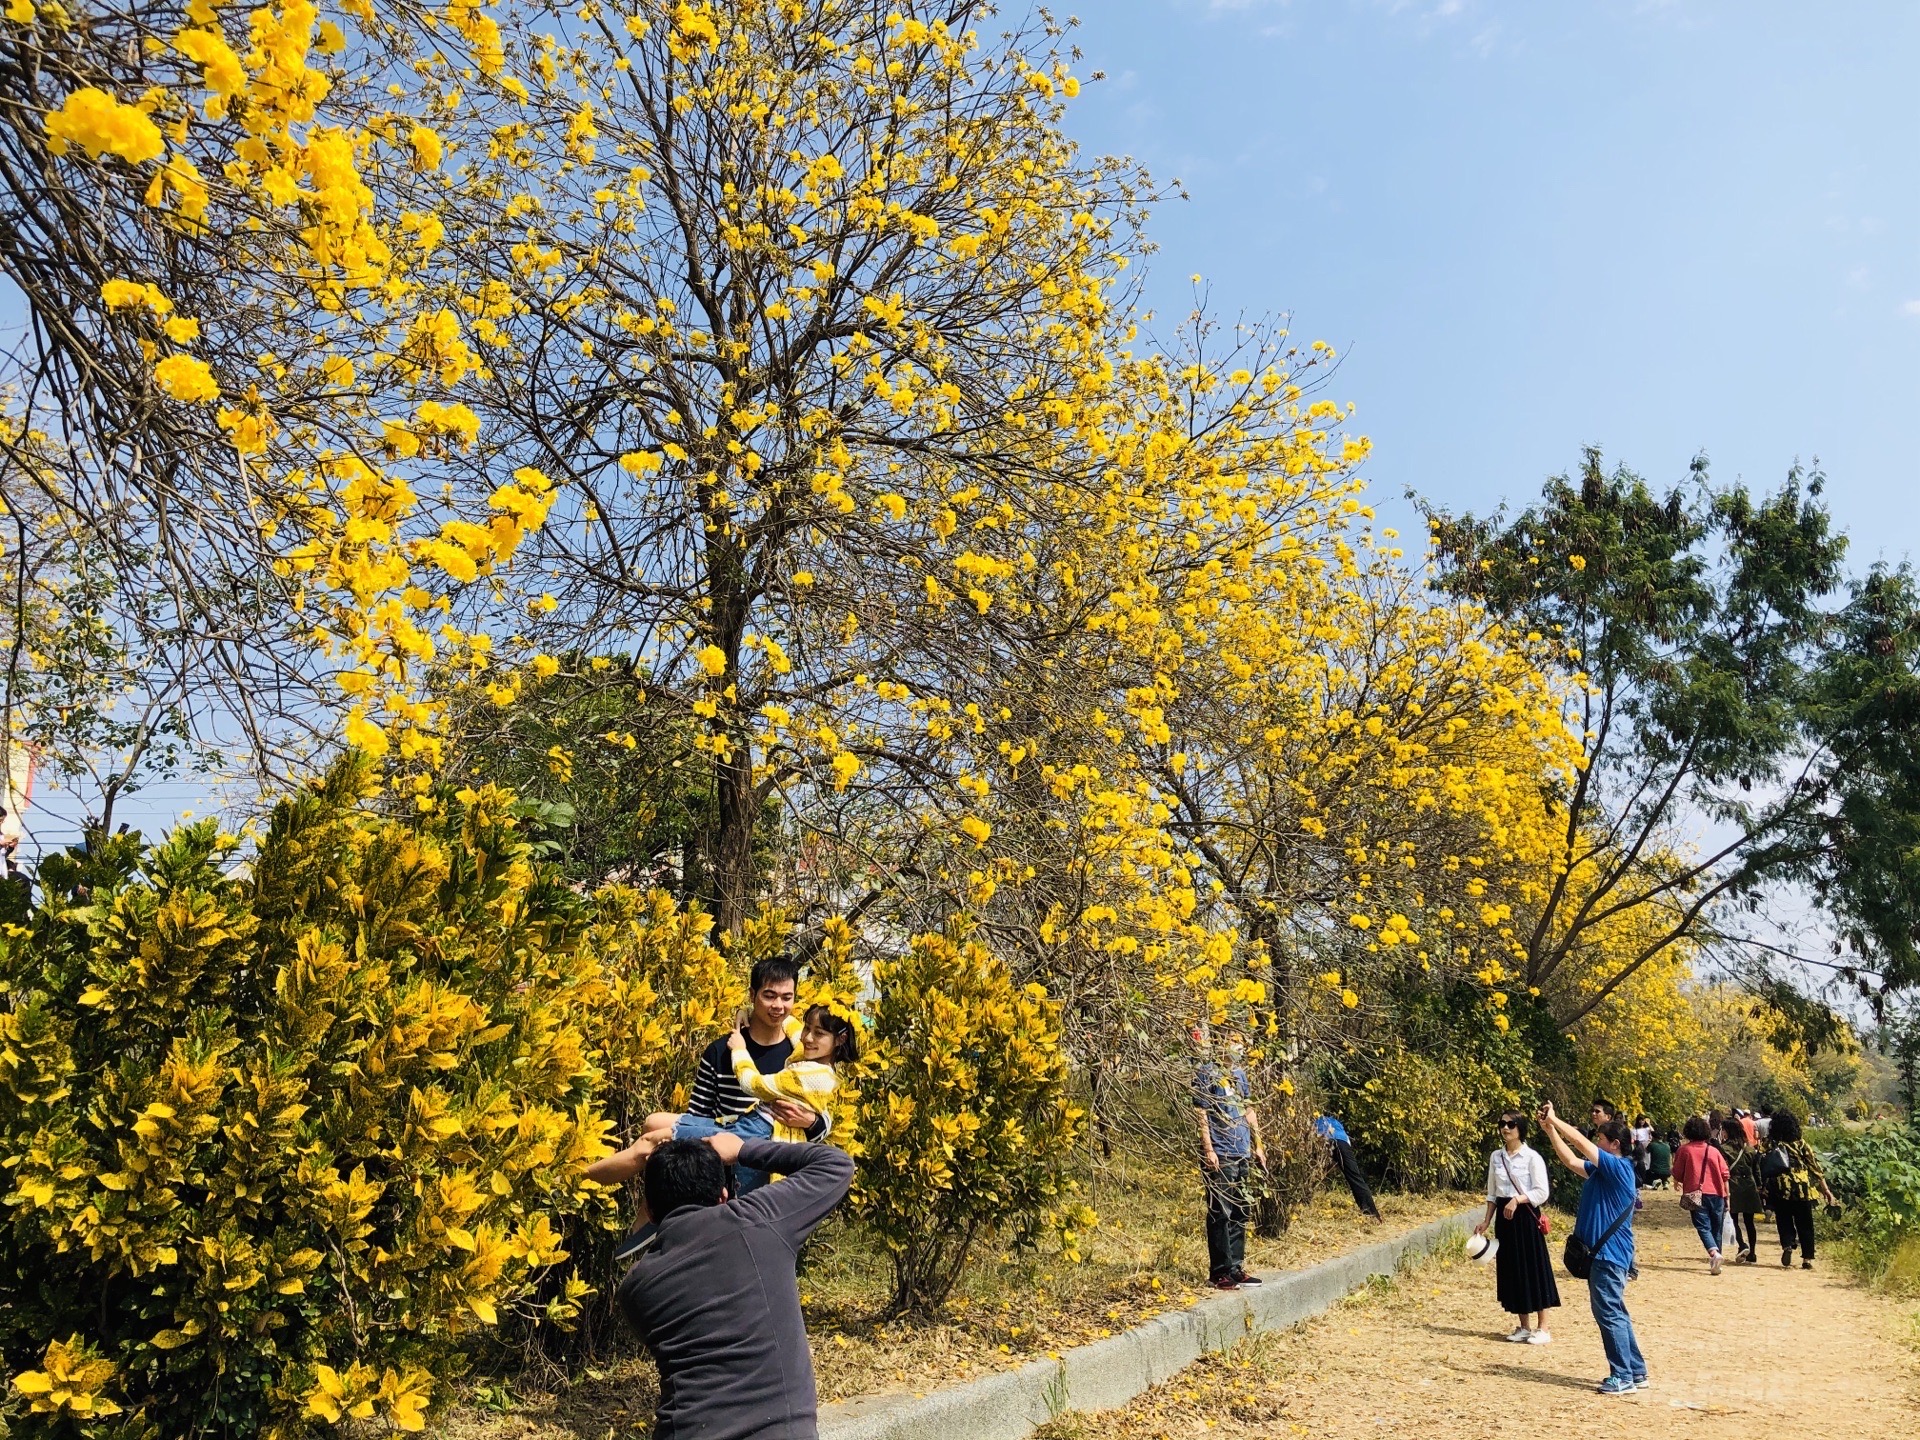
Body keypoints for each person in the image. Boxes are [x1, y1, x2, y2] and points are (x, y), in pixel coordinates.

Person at [607, 1129, 854, 1440]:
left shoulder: (635, 1290)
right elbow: (835, 1165)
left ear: (651, 1211)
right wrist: (743, 1149)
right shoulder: (760, 1221)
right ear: (723, 1195)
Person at [644, 957, 828, 1196]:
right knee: (654, 1131)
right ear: (753, 995)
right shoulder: (720, 1052)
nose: (778, 1006)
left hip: (776, 1174)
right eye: (769, 996)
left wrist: (811, 1122)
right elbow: (699, 1115)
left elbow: (823, 1120)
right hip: (725, 1168)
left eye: (787, 997)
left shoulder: (800, 1054)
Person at [1538, 1101, 1646, 1396]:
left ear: (1614, 1145)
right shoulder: (1603, 1171)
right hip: (1605, 1254)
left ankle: (1622, 1375)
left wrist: (1556, 1120)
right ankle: (1635, 1371)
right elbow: (1571, 1161)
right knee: (1615, 1312)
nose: (1596, 1142)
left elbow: (1581, 1144)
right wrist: (1550, 1131)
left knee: (1609, 1313)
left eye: (1601, 1139)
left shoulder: (1619, 1167)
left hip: (1609, 1255)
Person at [1473, 1111, 1559, 1344]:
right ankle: (1524, 1325)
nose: (1506, 1128)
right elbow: (1492, 1192)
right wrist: (1486, 1220)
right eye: (1502, 1124)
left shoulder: (1532, 1157)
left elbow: (1542, 1192)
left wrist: (1518, 1199)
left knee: (1533, 1267)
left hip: (1526, 1217)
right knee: (1513, 1269)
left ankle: (1543, 1327)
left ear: (1521, 1128)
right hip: (1504, 1217)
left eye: (1511, 1124)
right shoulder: (1496, 1157)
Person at [1192, 1026, 1267, 1290]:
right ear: (1222, 1043)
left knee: (1240, 1210)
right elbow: (1201, 1113)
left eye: (1242, 1044)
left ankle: (1236, 1267)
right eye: (1235, 1042)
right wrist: (1208, 1149)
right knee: (1219, 1211)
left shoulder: (1239, 1075)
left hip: (1242, 1152)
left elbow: (1249, 1109)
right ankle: (1219, 1271)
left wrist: (1258, 1145)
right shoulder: (1207, 1072)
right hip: (1221, 1153)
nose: (1239, 1048)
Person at [1763, 1109, 1837, 1270]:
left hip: (1781, 1186)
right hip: (1802, 1187)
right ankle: (1807, 1259)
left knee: (1784, 1220)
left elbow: (1762, 1161)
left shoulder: (1770, 1143)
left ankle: (1788, 1245)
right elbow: (1815, 1169)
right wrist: (1826, 1190)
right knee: (1805, 1223)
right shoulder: (1802, 1144)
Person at [1672, 1115, 1731, 1275]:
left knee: (1702, 1226)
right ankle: (1717, 1259)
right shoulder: (1714, 1151)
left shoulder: (1684, 1150)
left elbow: (1677, 1171)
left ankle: (1714, 1254)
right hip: (1718, 1193)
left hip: (1696, 1193)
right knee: (1716, 1227)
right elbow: (1725, 1174)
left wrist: (1678, 1180)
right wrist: (1727, 1196)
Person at [1314, 1113, 1381, 1222]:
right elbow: (1347, 1142)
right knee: (1355, 1177)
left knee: (1313, 1175)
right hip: (1342, 1143)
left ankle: (1305, 1203)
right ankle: (1372, 1214)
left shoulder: (1315, 1120)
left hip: (1323, 1141)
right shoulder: (1338, 1124)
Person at [1724, 1124, 1765, 1264]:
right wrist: (1759, 1186)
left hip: (1733, 1185)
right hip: (1749, 1185)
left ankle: (1742, 1244)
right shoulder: (1750, 1150)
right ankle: (1752, 1252)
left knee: (1733, 1218)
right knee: (1749, 1221)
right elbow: (1756, 1170)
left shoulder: (1724, 1149)